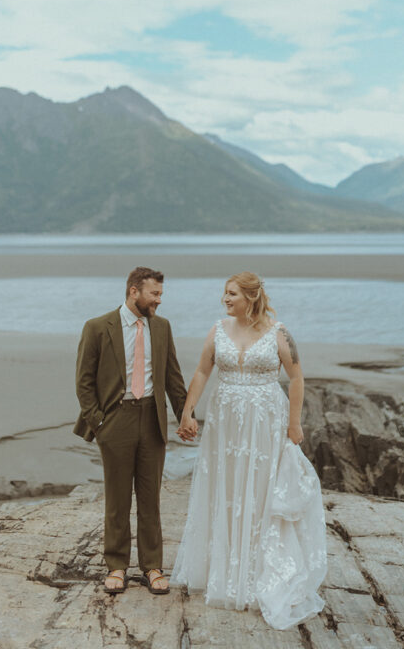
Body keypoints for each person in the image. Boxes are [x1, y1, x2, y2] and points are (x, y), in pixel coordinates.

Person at [171, 272, 327, 629]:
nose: (225, 299)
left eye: (231, 294)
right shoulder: (217, 329)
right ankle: (224, 574)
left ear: (251, 297)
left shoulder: (279, 333)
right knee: (225, 489)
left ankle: (257, 575)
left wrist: (294, 422)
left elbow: (297, 377)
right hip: (225, 422)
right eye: (224, 293)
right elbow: (201, 371)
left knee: (259, 491)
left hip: (264, 422)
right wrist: (187, 409)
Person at [73, 266, 190, 596]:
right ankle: (116, 566)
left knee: (151, 498)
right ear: (133, 292)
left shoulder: (162, 328)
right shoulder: (98, 327)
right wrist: (99, 423)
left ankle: (153, 567)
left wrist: (185, 416)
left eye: (161, 294)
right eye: (154, 294)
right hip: (116, 421)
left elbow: (173, 379)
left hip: (152, 419)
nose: (159, 300)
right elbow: (84, 382)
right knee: (118, 498)